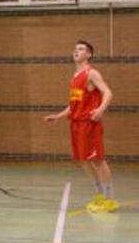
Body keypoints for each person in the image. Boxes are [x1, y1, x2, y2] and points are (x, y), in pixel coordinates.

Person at [44, 40, 117, 212]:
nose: (76, 51)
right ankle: (99, 194)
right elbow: (73, 106)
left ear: (89, 54)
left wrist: (101, 109)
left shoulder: (91, 73)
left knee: (97, 160)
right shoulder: (74, 78)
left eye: (81, 49)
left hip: (89, 123)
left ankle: (110, 199)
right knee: (83, 160)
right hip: (76, 124)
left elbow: (108, 92)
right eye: (75, 48)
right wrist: (58, 116)